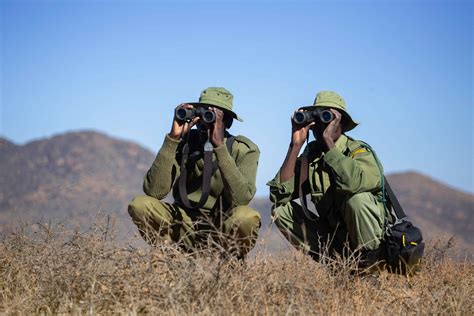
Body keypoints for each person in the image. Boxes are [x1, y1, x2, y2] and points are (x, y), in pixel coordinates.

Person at [128, 87, 261, 259]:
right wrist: (173, 139)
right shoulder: (183, 143)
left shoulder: (243, 149)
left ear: (226, 122)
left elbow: (242, 199)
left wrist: (220, 147)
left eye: (211, 115)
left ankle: (229, 262)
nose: (205, 122)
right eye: (201, 114)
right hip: (182, 223)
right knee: (140, 204)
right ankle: (170, 256)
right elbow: (154, 192)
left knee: (246, 216)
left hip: (221, 225)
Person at [267, 91, 389, 266]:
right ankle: (334, 264)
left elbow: (354, 184)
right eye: (317, 118)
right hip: (336, 235)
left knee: (358, 200)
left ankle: (371, 267)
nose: (321, 125)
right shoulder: (312, 156)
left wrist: (329, 143)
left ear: (342, 122)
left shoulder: (358, 151)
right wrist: (295, 146)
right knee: (281, 211)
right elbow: (278, 195)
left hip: (373, 239)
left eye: (327, 117)